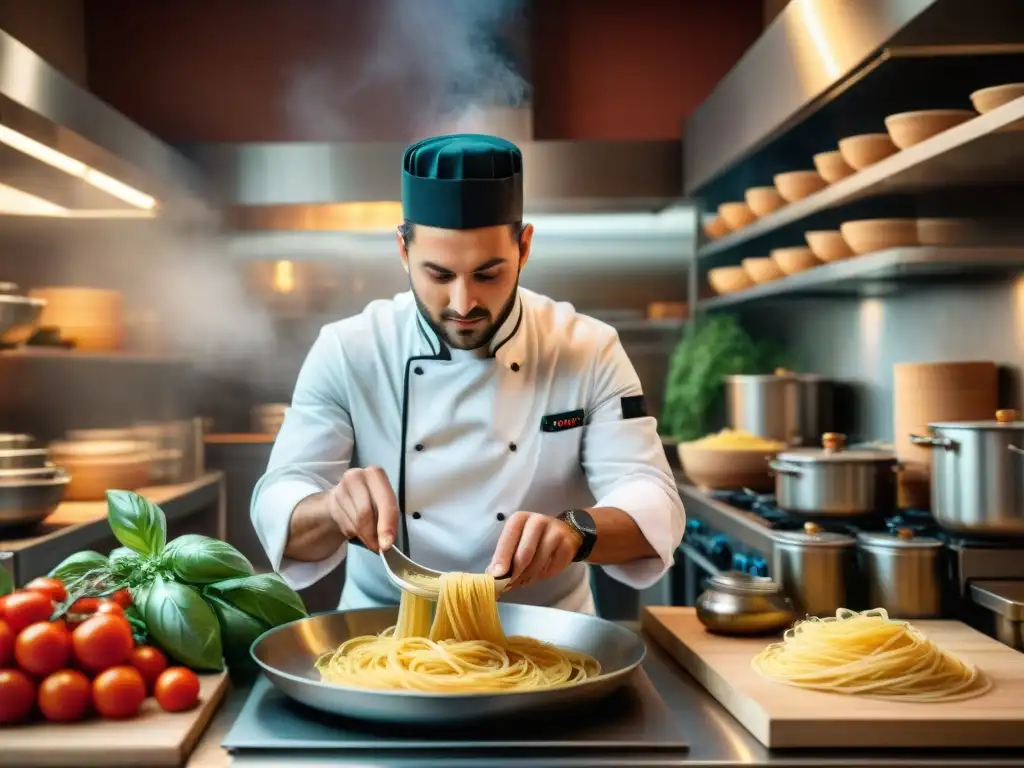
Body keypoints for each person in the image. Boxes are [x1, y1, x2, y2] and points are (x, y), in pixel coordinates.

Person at [250, 133, 686, 614]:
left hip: (548, 633)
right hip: (383, 632)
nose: (463, 304)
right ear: (402, 251)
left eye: (487, 274)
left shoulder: (588, 348)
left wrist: (576, 532)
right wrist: (333, 510)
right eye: (438, 275)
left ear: (524, 247)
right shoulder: (350, 349)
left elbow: (653, 502)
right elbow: (280, 502)